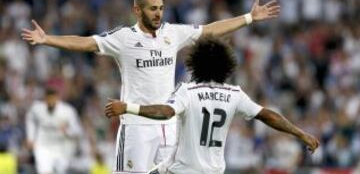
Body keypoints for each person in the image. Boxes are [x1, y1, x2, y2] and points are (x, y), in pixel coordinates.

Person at [21, 0, 280, 173]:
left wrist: (248, 18)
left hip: (167, 124)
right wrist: (47, 39)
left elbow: (209, 29)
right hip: (136, 126)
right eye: (153, 9)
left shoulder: (172, 33)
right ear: (137, 10)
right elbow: (87, 43)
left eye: (161, 9)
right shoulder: (123, 38)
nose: (158, 14)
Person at [104, 36, 320, 174]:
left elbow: (166, 112)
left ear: (195, 65)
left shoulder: (187, 91)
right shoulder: (235, 94)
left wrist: (128, 107)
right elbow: (267, 115)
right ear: (226, 67)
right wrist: (301, 134)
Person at [25, 88, 82, 174]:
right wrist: (30, 137)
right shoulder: (37, 109)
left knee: (60, 171)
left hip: (62, 147)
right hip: (43, 145)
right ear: (45, 99)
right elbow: (30, 119)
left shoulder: (67, 111)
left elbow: (78, 130)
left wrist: (67, 130)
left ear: (57, 98)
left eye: (53, 99)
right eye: (48, 99)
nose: (50, 102)